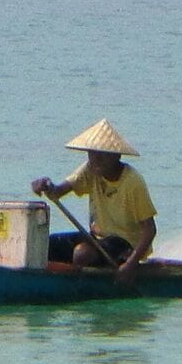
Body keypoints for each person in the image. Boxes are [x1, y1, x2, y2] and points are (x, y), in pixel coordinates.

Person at [32, 118, 157, 282]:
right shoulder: (91, 169)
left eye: (102, 154)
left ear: (116, 156)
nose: (95, 160)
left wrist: (131, 264)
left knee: (82, 254)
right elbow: (57, 192)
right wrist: (46, 186)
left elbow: (150, 229)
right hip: (98, 238)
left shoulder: (133, 182)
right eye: (92, 154)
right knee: (43, 246)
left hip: (126, 245)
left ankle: (79, 289)